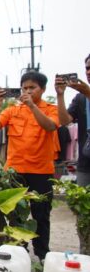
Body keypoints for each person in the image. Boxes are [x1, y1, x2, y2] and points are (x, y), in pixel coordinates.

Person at [0, 71, 59, 261]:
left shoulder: (51, 109)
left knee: (41, 216)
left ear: (43, 89)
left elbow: (50, 126)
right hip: (15, 172)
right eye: (25, 88)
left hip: (41, 172)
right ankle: (18, 251)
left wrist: (31, 105)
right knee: (15, 215)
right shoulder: (13, 109)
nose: (28, 91)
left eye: (32, 88)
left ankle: (42, 254)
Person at [56, 54, 90, 186]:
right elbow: (64, 121)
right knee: (83, 203)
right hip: (85, 164)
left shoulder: (85, 94)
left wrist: (88, 92)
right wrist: (60, 95)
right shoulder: (80, 98)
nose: (88, 72)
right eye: (87, 68)